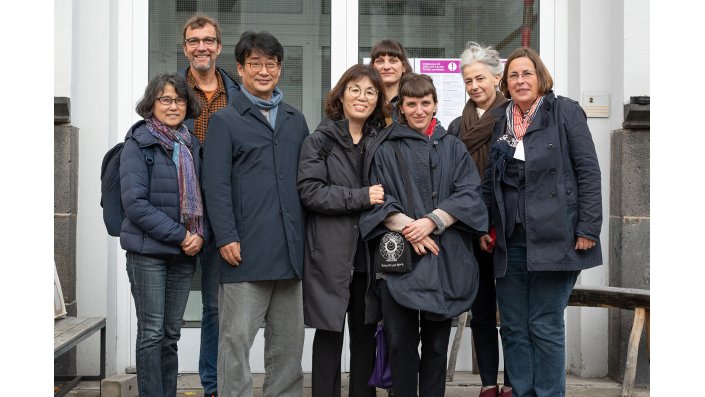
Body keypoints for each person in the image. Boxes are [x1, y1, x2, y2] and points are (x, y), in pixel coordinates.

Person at [481, 47, 602, 397]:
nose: (520, 81)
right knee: (515, 327)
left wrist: (588, 228)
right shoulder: (502, 118)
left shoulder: (564, 110)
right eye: (513, 75)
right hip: (510, 237)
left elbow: (588, 172)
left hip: (557, 235)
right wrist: (488, 228)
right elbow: (492, 178)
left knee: (544, 324)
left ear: (540, 77)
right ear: (505, 82)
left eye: (526, 74)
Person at [359, 73, 488, 397]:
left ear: (435, 104)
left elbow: (470, 194)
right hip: (398, 258)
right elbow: (377, 198)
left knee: (435, 346)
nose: (419, 110)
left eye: (425, 103)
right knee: (399, 342)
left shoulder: (453, 148)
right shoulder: (384, 147)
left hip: (444, 258)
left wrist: (432, 221)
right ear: (401, 107)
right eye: (412, 104)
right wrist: (410, 228)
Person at [202, 31, 310, 397]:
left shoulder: (296, 120)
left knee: (288, 349)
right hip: (243, 252)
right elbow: (214, 187)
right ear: (240, 68)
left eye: (271, 64)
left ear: (279, 68)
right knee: (235, 345)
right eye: (255, 64)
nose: (263, 71)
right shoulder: (225, 121)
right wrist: (227, 236)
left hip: (290, 252)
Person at [297, 64, 387, 397]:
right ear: (342, 94)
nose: (362, 97)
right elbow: (310, 191)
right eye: (355, 89)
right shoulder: (320, 139)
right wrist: (361, 197)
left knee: (365, 339)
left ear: (378, 100)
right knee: (329, 337)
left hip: (368, 254)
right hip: (329, 254)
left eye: (370, 92)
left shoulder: (381, 140)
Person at [120, 73, 205, 397]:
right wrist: (182, 235)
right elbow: (136, 205)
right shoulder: (138, 143)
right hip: (148, 255)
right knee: (152, 333)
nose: (173, 106)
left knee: (170, 334)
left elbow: (204, 196)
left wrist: (200, 235)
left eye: (179, 99)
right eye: (165, 99)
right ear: (151, 104)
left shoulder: (190, 143)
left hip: (183, 256)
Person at [178, 14, 240, 397]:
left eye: (208, 40)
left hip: (221, 213)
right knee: (169, 311)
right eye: (193, 40)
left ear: (219, 46)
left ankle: (213, 386)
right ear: (185, 47)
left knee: (217, 309)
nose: (201, 46)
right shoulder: (170, 92)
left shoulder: (235, 92)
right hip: (179, 216)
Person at [447, 42, 511, 397]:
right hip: (471, 233)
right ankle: (488, 384)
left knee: (513, 316)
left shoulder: (514, 118)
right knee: (482, 313)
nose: (474, 86)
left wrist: (495, 227)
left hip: (508, 231)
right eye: (468, 80)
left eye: (480, 78)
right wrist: (475, 228)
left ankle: (514, 383)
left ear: (496, 78)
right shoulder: (458, 126)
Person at [369, 39, 412, 125]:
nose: (386, 67)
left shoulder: (413, 99)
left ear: (404, 66)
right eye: (380, 61)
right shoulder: (365, 100)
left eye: (393, 61)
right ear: (372, 66)